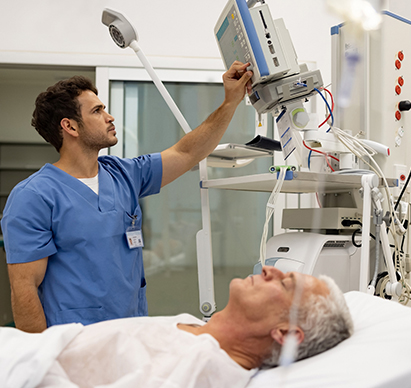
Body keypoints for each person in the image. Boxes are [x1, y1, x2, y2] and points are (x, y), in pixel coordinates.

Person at [1, 61, 253, 333]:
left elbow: (187, 153)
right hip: (75, 341)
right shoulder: (34, 196)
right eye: (97, 111)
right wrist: (41, 361)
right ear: (70, 127)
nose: (109, 117)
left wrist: (230, 102)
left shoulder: (124, 174)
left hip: (132, 332)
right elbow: (24, 289)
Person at [34, 266, 354, 388]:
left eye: (286, 283)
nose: (270, 268)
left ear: (285, 334)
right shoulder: (192, 326)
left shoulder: (199, 369)